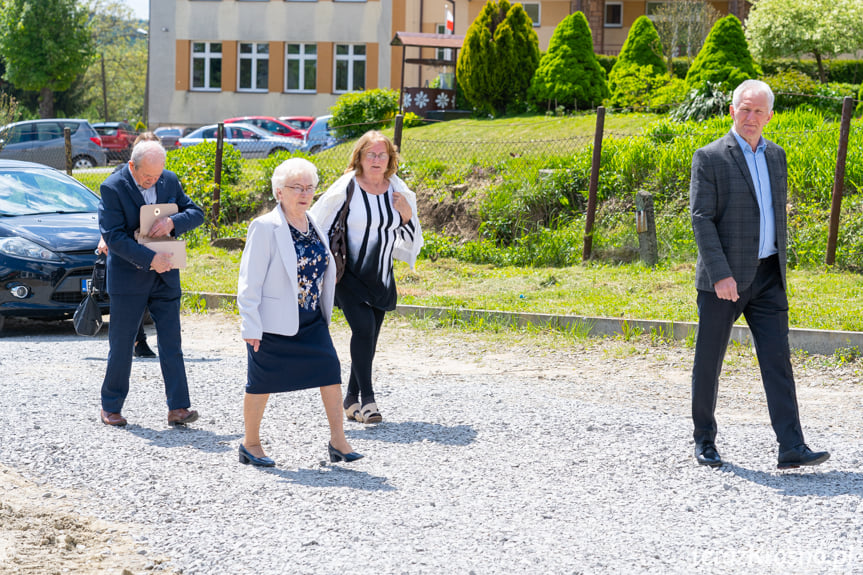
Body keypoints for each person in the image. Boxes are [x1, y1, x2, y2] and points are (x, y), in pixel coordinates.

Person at [689, 79, 829, 469]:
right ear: (732, 111)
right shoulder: (711, 156)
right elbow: (701, 219)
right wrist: (720, 273)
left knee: (777, 361)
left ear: (770, 115)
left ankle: (791, 446)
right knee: (709, 360)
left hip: (768, 275)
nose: (751, 118)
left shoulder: (777, 156)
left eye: (758, 111)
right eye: (744, 110)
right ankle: (704, 440)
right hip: (725, 279)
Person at [237, 158, 362, 466]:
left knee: (330, 371)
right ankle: (250, 443)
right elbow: (248, 282)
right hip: (273, 323)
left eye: (309, 187)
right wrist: (251, 326)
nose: (305, 193)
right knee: (260, 382)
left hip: (310, 318)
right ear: (279, 192)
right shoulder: (265, 227)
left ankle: (338, 441)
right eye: (296, 187)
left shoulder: (313, 222)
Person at [309, 131, 423, 424]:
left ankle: (350, 399)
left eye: (381, 155)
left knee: (370, 339)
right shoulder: (347, 188)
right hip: (348, 274)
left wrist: (407, 215)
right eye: (370, 154)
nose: (376, 160)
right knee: (363, 330)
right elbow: (320, 225)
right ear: (359, 158)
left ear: (390, 160)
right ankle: (369, 401)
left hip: (381, 277)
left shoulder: (397, 192)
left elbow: (410, 239)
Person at [97, 140, 205, 427]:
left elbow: (196, 212)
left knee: (172, 342)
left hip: (166, 275)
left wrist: (173, 223)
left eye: (157, 177)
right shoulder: (112, 187)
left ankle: (179, 408)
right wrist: (149, 259)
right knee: (121, 344)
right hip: (129, 277)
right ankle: (111, 406)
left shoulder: (168, 179)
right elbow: (114, 237)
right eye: (147, 177)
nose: (153, 181)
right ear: (132, 166)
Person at [97, 132, 164, 359]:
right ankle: (137, 340)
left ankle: (138, 340)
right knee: (128, 299)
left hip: (152, 245)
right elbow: (109, 216)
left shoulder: (162, 177)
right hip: (126, 247)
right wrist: (104, 238)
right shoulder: (118, 177)